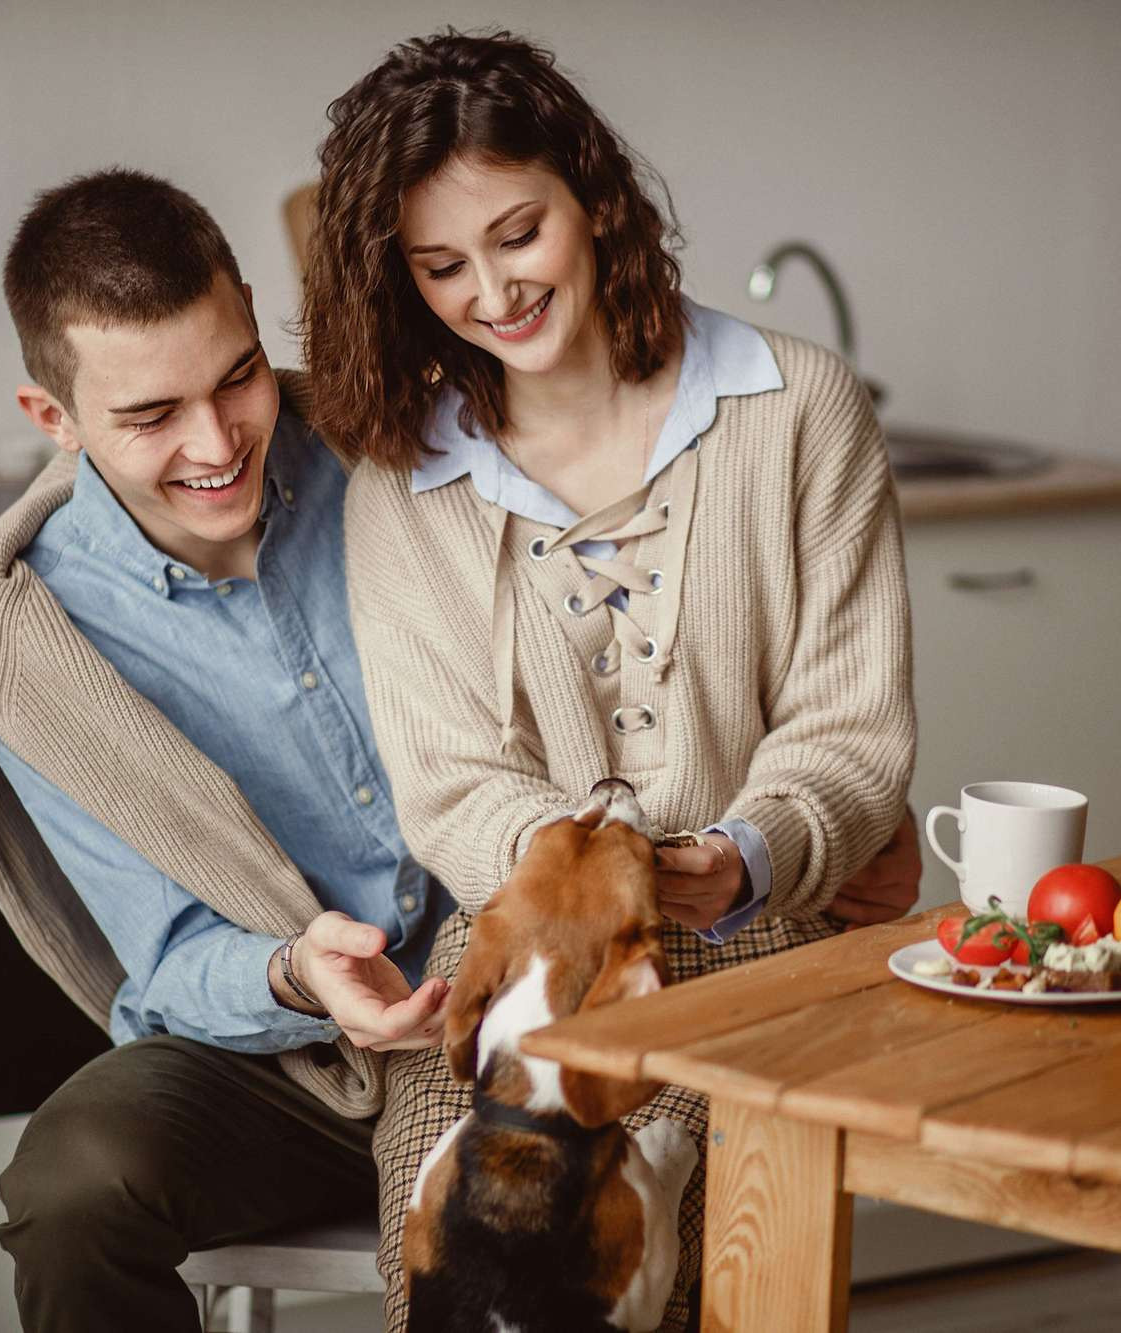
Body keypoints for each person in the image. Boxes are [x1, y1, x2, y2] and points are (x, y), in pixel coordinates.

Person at [300, 30, 921, 1330]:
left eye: (518, 233)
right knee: (468, 1267)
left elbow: (851, 729)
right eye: (442, 266)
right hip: (518, 957)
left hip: (762, 943)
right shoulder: (403, 481)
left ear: (593, 193)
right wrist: (603, 876)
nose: (492, 291)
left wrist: (750, 850)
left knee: (712, 1267)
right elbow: (451, 781)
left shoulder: (799, 407)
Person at [0, 168, 457, 1333]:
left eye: (236, 377)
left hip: (499, 988)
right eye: (149, 415)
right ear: (53, 419)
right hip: (283, 1063)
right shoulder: (31, 641)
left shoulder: (383, 448)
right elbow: (165, 956)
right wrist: (294, 973)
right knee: (72, 1185)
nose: (217, 441)